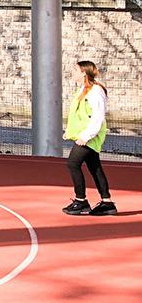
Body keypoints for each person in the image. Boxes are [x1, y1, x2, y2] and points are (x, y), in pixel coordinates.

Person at [62, 60, 117, 216]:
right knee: (94, 167)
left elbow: (97, 117)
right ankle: (107, 203)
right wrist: (70, 131)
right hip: (84, 135)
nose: (72, 72)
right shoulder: (83, 90)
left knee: (73, 163)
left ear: (83, 73)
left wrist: (86, 136)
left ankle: (81, 201)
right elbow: (79, 114)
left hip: (90, 136)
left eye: (75, 70)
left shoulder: (95, 91)